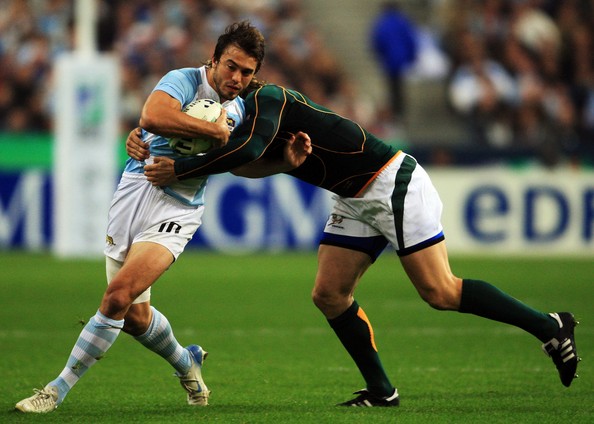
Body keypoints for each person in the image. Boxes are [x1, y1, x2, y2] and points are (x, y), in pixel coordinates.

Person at [135, 83, 580, 407]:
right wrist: (148, 138)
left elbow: (248, 151)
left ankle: (550, 326)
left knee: (440, 292)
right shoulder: (233, 122)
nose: (234, 80)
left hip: (389, 181)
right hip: (353, 197)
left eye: (242, 71)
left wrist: (183, 167)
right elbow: (246, 166)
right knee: (329, 294)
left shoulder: (268, 99)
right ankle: (383, 392)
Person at [15, 21, 273, 414]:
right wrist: (200, 131)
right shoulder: (184, 79)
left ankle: (55, 390)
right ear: (214, 59)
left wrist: (198, 149)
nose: (236, 78)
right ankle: (187, 362)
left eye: (246, 72)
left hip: (177, 209)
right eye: (231, 66)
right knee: (136, 317)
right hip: (134, 191)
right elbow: (152, 116)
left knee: (117, 296)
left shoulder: (242, 110)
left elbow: (234, 157)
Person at [370, 1, 419, 127]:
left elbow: (376, 41)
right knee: (399, 87)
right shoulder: (402, 21)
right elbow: (411, 39)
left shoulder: (381, 22)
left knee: (392, 88)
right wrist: (411, 57)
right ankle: (399, 113)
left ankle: (395, 114)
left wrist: (381, 57)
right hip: (401, 60)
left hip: (388, 61)